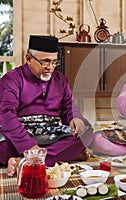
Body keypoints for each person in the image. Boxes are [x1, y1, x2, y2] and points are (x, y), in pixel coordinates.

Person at [0, 35, 94, 176]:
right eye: (45, 62)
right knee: (2, 148)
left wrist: (76, 119)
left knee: (86, 133)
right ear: (29, 58)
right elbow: (6, 115)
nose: (50, 68)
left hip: (50, 134)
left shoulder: (60, 80)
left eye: (54, 62)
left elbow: (69, 107)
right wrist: (30, 147)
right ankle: (58, 156)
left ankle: (24, 162)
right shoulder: (12, 79)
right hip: (20, 135)